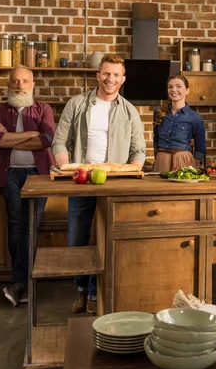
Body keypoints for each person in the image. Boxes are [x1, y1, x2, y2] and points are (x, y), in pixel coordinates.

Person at [52, 54, 146, 315]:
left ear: (123, 79)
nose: (110, 79)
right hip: (81, 181)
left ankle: (95, 293)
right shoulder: (77, 104)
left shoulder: (129, 111)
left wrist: (132, 169)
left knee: (106, 240)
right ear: (98, 75)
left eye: (116, 75)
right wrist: (65, 166)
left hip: (115, 185)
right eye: (106, 73)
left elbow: (139, 151)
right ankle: (81, 291)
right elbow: (60, 142)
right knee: (77, 240)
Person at [0, 65, 55, 307]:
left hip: (38, 175)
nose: (20, 85)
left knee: (30, 226)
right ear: (9, 84)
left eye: (25, 81)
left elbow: (47, 139)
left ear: (33, 85)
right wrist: (31, 134)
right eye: (15, 81)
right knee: (15, 225)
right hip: (10, 175)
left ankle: (18, 282)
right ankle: (24, 283)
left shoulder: (44, 109)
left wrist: (12, 139)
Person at [153, 74, 206, 172]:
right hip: (161, 159)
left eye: (179, 86)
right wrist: (158, 158)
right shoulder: (159, 112)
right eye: (170, 87)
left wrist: (193, 165)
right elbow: (156, 140)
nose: (173, 90)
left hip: (183, 161)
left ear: (187, 90)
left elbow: (200, 147)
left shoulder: (195, 117)